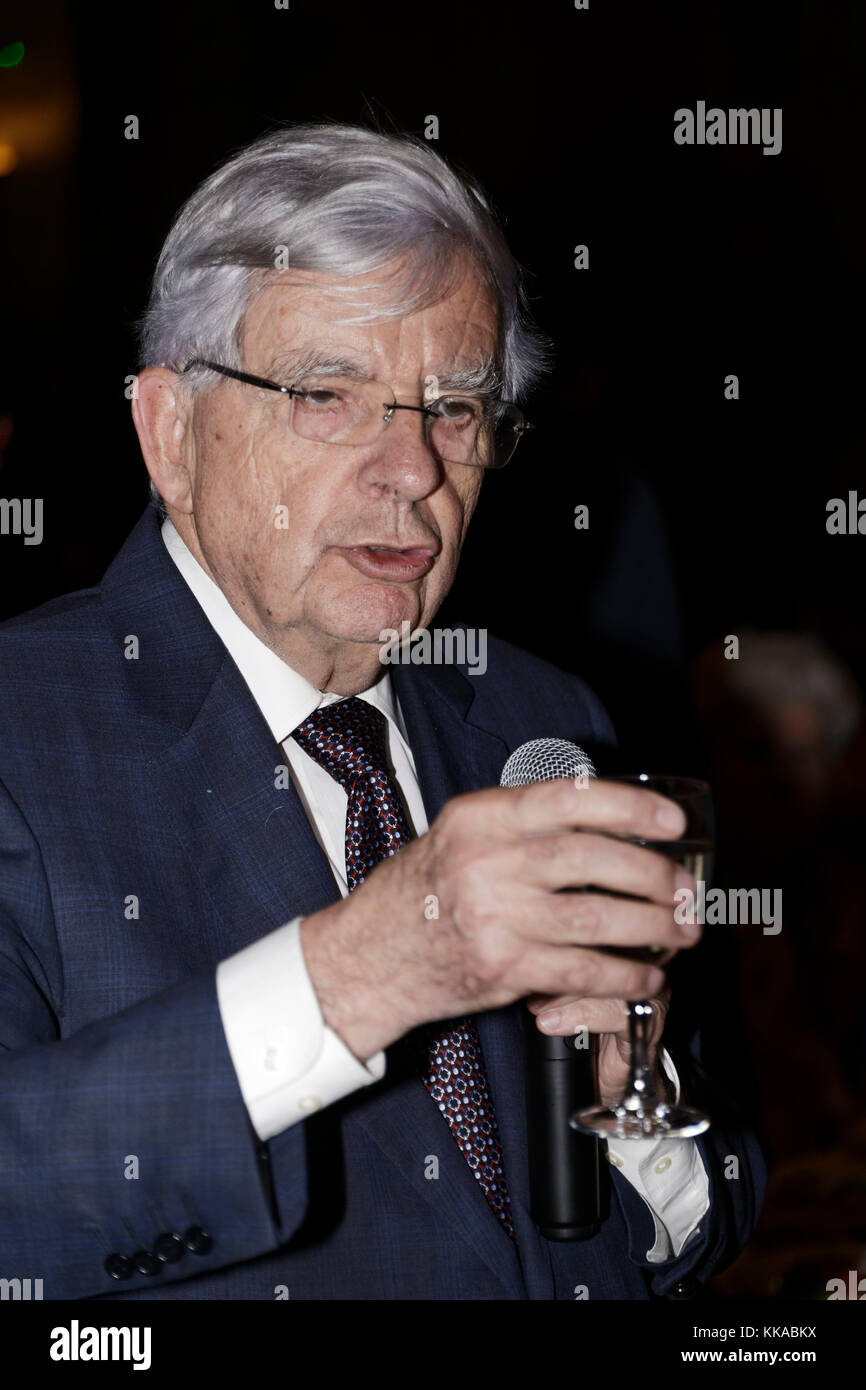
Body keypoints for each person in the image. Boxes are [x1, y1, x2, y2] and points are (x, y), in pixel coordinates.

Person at [0, 122, 763, 1300]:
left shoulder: (538, 715)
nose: (411, 467)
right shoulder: (23, 728)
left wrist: (635, 1111)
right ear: (169, 433)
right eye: (325, 394)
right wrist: (357, 975)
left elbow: (689, 1210)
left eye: (453, 409)